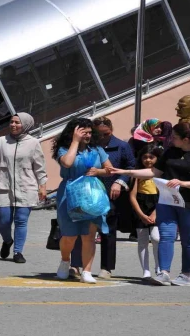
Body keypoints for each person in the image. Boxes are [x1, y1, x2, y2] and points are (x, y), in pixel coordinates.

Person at [112, 122, 190, 286]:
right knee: (165, 236)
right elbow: (154, 172)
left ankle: (185, 275)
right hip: (167, 201)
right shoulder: (170, 152)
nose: (171, 139)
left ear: (186, 139)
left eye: (174, 137)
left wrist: (183, 183)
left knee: (188, 239)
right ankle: (164, 272)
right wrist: (126, 172)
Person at [71, 116, 135, 279]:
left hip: (110, 194)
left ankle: (106, 268)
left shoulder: (122, 146)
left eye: (105, 134)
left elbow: (131, 166)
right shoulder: (86, 147)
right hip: (86, 194)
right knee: (82, 229)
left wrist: (120, 182)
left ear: (111, 131)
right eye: (98, 134)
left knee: (108, 231)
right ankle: (76, 265)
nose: (102, 138)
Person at [53, 118, 113, 284]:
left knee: (89, 234)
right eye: (83, 132)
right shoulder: (64, 149)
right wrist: (75, 141)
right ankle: (65, 261)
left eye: (89, 132)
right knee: (69, 235)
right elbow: (67, 162)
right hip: (69, 193)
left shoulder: (97, 149)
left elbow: (110, 169)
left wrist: (98, 171)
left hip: (92, 193)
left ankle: (87, 271)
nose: (87, 135)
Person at [0, 113, 47, 263]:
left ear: (26, 125)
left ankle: (18, 252)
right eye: (11, 122)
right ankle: (7, 240)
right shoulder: (1, 141)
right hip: (3, 186)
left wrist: (42, 186)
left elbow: (39, 166)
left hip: (26, 186)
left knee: (21, 220)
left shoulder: (33, 143)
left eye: (17, 123)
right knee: (4, 221)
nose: (13, 125)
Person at [129, 144, 162, 279]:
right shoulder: (137, 174)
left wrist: (155, 212)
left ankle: (159, 267)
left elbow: (164, 196)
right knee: (142, 241)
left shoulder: (160, 173)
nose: (148, 160)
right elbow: (132, 196)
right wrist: (141, 214)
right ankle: (146, 271)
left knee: (156, 238)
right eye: (145, 157)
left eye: (151, 157)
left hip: (157, 207)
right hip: (141, 208)